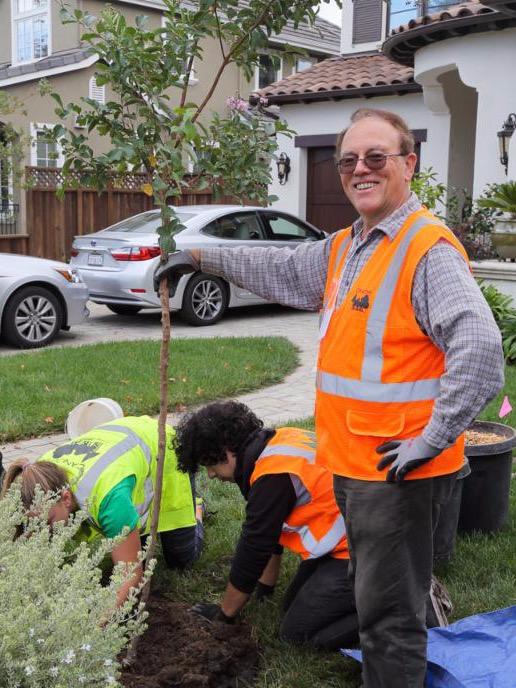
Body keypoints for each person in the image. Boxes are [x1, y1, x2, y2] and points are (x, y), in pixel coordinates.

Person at [155, 108, 504, 687]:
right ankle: (415, 596)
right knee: (378, 595)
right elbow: (281, 265)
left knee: (387, 623)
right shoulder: (349, 246)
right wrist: (199, 256)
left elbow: (481, 348)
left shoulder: (425, 249)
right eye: (348, 160)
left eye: (376, 157)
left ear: (409, 164)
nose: (359, 170)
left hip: (397, 474)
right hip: (354, 464)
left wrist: (431, 439)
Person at [176, 400, 359, 650]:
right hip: (350, 543)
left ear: (228, 449)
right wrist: (264, 589)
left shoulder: (273, 476)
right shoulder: (276, 444)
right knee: (292, 607)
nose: (210, 474)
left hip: (367, 552)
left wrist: (224, 615)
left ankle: (399, 610)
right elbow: (270, 536)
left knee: (297, 635)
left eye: (210, 464)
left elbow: (253, 549)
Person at [1, 415, 204, 607]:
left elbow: (130, 574)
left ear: (65, 498)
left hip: (162, 447)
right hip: (120, 441)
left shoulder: (107, 499)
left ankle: (196, 508)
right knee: (135, 543)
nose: (43, 530)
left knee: (181, 559)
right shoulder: (37, 476)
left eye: (48, 522)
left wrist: (95, 629)